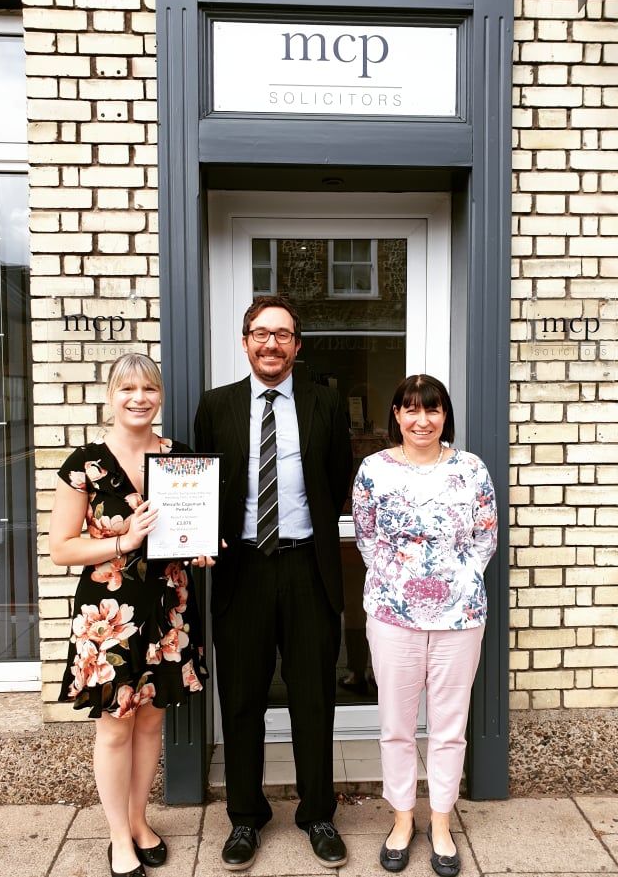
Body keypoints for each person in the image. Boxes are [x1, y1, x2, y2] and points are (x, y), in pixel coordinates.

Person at [194, 295, 353, 871]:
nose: (271, 344)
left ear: (297, 346)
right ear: (245, 342)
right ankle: (245, 817)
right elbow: (207, 484)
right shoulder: (216, 406)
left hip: (308, 567)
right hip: (242, 572)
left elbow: (337, 478)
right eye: (261, 333)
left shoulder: (325, 403)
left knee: (314, 697)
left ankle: (317, 813)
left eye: (283, 335)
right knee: (241, 701)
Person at [49, 353, 214, 877]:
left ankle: (140, 821)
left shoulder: (180, 458)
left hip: (169, 608)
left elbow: (188, 531)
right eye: (127, 389)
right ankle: (119, 837)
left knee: (152, 722)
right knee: (116, 725)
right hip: (109, 613)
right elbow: (61, 548)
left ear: (159, 396)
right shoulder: (86, 464)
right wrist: (124, 539)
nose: (139, 398)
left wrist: (201, 548)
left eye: (148, 389)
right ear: (111, 397)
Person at [352, 375, 497, 876]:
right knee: (395, 724)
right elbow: (366, 538)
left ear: (443, 416)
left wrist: (455, 580)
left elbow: (485, 539)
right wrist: (402, 579)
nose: (422, 420)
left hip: (459, 617)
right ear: (396, 414)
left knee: (449, 727)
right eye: (411, 410)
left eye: (432, 410)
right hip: (393, 615)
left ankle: (439, 821)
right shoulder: (373, 470)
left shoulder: (471, 469)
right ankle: (401, 818)